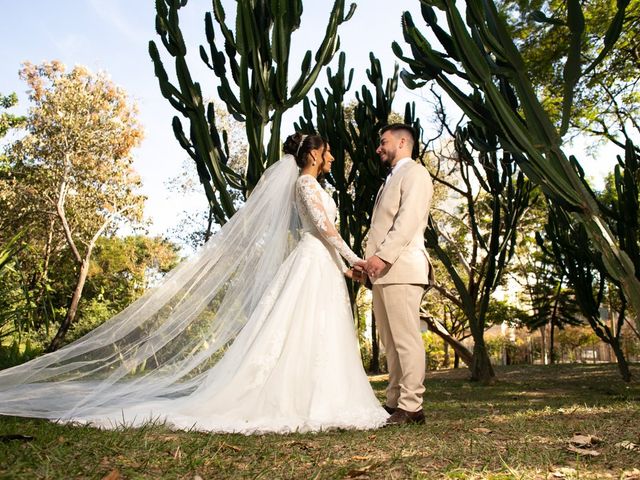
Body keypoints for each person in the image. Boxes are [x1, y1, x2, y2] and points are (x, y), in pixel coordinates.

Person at [0, 133, 388, 434]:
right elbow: (322, 228)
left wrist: (343, 267)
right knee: (299, 329)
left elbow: (325, 235)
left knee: (318, 331)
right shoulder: (305, 185)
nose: (333, 157)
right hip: (312, 262)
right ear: (313, 155)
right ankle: (300, 400)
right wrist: (355, 259)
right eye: (328, 152)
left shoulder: (315, 187)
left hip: (321, 263)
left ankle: (322, 395)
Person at [363, 123, 434, 426]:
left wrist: (381, 257)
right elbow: (380, 228)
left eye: (383, 142)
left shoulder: (415, 173)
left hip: (402, 268)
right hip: (383, 272)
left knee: (406, 340)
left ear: (403, 141)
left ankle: (412, 406)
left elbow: (406, 222)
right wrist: (366, 263)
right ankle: (394, 402)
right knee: (391, 343)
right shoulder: (389, 180)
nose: (378, 148)